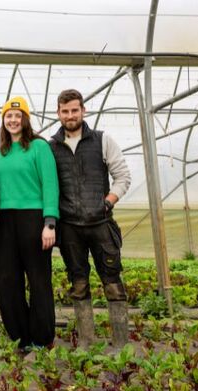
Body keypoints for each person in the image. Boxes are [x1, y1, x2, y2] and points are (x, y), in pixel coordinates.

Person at [49, 89, 132, 348]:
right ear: (58, 114)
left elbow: (123, 176)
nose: (70, 115)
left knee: (112, 283)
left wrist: (108, 202)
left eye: (75, 110)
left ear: (83, 111)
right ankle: (86, 342)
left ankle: (121, 345)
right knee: (79, 283)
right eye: (65, 111)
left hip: (100, 224)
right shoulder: (50, 147)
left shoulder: (102, 140)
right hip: (70, 227)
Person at [0, 97, 59, 350]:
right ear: (3, 120)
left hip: (33, 218)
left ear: (25, 119)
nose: (13, 120)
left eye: (18, 116)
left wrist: (49, 222)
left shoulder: (40, 148)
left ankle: (42, 338)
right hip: (4, 222)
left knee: (39, 279)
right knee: (7, 281)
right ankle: (20, 337)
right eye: (8, 116)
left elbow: (50, 184)